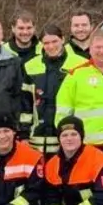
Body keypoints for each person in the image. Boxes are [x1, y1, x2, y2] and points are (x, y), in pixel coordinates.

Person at [23, 24, 85, 154]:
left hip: (68, 135)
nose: (51, 46)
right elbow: (24, 102)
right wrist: (23, 133)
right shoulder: (30, 66)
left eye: (54, 41)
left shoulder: (80, 64)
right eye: (46, 43)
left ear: (63, 39)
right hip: (37, 137)